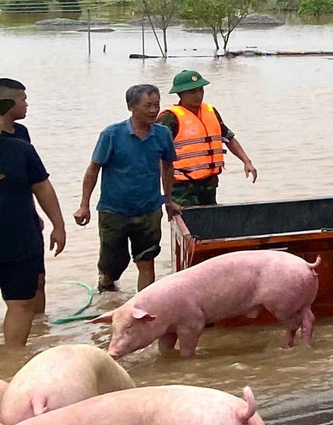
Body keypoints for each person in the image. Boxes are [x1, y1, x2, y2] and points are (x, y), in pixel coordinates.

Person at [76, 83, 180, 293]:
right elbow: (93, 170)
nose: (153, 111)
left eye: (156, 105)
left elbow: (168, 167)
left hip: (149, 210)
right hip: (114, 211)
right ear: (131, 107)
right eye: (148, 106)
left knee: (147, 259)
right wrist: (84, 205)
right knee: (113, 263)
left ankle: (145, 310)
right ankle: (106, 284)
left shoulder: (163, 134)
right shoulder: (112, 134)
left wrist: (168, 199)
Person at [1, 79, 65, 346]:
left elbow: (36, 186)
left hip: (21, 229)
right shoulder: (20, 150)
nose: (27, 103)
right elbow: (42, 186)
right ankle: (14, 365)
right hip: (17, 233)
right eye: (22, 99)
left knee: (25, 297)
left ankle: (20, 353)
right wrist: (58, 225)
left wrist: (51, 223)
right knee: (19, 304)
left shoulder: (22, 141)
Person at [159, 69, 256, 208]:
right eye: (192, 92)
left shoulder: (210, 112)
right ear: (180, 94)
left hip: (209, 183)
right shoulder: (169, 118)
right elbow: (157, 152)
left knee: (210, 221)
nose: (198, 95)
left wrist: (247, 161)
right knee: (188, 221)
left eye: (201, 90)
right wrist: (166, 197)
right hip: (182, 186)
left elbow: (229, 138)